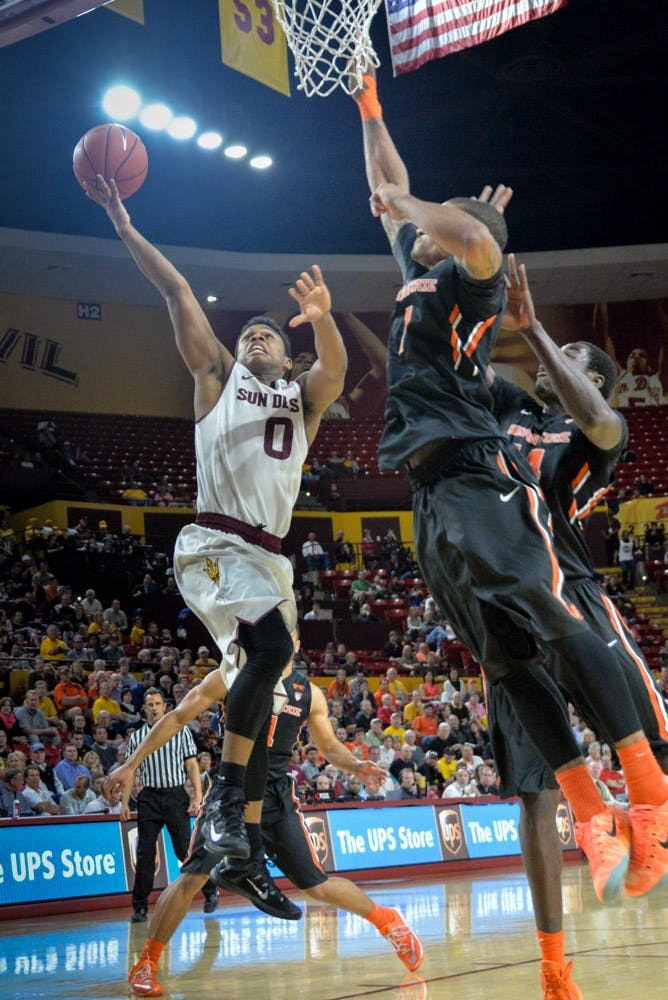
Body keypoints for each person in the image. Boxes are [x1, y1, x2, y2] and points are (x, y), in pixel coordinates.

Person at [350, 65, 668, 917]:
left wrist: (437, 219)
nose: (415, 227)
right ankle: (593, 808)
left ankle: (646, 787)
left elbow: (472, 237)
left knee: (547, 602)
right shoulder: (419, 277)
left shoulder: (468, 280)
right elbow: (389, 183)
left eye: (441, 228)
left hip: (480, 478)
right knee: (503, 653)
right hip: (430, 492)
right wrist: (372, 108)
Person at [86, 173, 347, 864]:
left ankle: (238, 842)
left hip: (269, 562)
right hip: (211, 543)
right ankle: (233, 808)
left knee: (266, 674)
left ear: (287, 358)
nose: (255, 337)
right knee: (270, 655)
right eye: (249, 333)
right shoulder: (217, 378)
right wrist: (123, 225)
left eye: (268, 334)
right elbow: (175, 290)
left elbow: (335, 376)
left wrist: (321, 316)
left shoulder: (302, 402)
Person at [486, 256, 668, 997]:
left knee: (653, 737)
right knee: (533, 791)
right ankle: (554, 963)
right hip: (503, 595)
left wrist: (539, 340)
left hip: (572, 589)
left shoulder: (598, 431)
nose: (552, 372)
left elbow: (596, 413)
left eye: (577, 363)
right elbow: (446, 367)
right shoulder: (507, 413)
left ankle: (642, 826)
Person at [105, 644, 423, 998]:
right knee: (193, 876)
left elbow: (329, 745)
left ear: (296, 643)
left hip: (274, 796)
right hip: (232, 792)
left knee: (315, 884)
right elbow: (178, 717)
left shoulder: (309, 693)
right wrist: (131, 763)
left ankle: (388, 921)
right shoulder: (232, 676)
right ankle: (146, 962)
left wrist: (355, 765)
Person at [122, 687, 214, 922]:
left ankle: (210, 891)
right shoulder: (136, 738)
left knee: (184, 850)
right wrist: (125, 803)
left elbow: (192, 766)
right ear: (144, 709)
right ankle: (140, 908)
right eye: (149, 705)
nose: (153, 709)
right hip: (149, 797)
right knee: (145, 854)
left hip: (175, 796)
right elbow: (130, 772)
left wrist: (196, 797)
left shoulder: (181, 732)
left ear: (165, 707)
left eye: (157, 704)